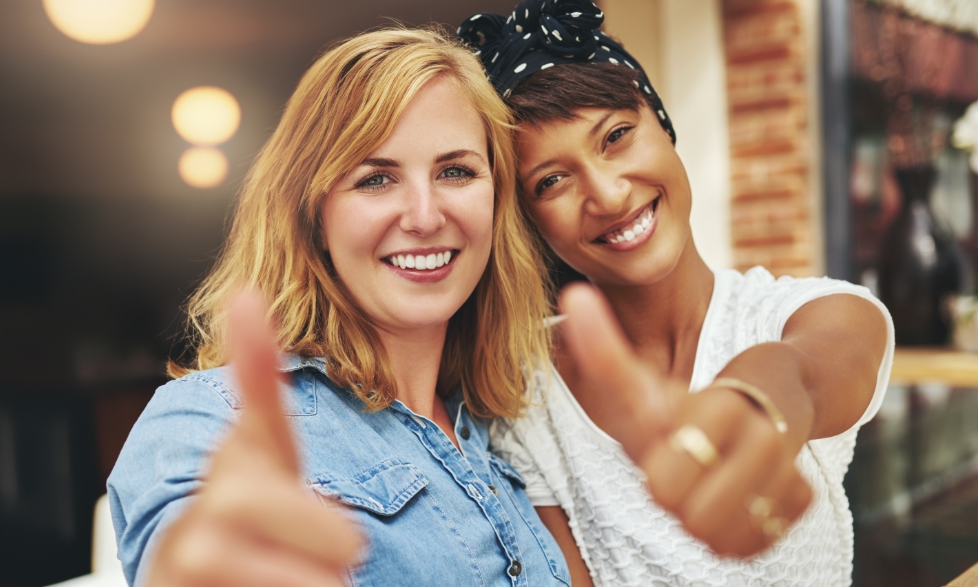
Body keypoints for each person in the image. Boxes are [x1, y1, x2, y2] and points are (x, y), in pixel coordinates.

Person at [106, 27, 575, 587]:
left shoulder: (507, 424)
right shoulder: (212, 418)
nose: (425, 216)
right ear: (315, 219)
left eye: (456, 171)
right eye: (375, 179)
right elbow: (191, 541)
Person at [457, 1, 895, 586]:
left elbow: (803, 371)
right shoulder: (521, 384)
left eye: (616, 136)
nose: (609, 195)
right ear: (528, 220)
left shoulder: (821, 311)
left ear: (663, 125)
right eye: (552, 181)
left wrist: (752, 406)